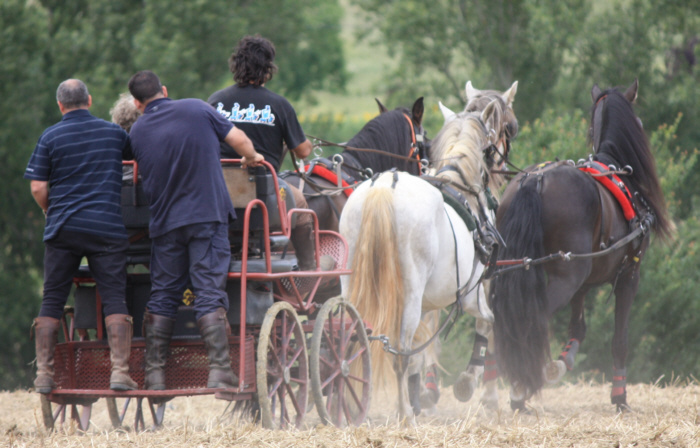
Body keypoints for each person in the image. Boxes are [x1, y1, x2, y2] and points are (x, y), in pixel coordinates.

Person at [127, 70, 263, 390]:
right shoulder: (198, 108)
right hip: (206, 219)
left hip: (165, 225)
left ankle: (155, 376)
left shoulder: (137, 130)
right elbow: (240, 140)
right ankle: (219, 370)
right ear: (164, 90)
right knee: (208, 291)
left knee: (163, 295)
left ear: (137, 103)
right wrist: (252, 156)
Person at [24, 79, 138, 392]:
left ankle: (44, 374)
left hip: (63, 229)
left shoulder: (50, 136)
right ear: (89, 100)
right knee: (114, 297)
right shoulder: (113, 133)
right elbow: (134, 163)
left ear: (60, 105)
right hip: (106, 229)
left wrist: (50, 210)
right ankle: (119, 372)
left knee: (53, 299)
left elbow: (37, 186)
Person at [208, 35, 333, 271]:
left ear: (236, 65)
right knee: (301, 204)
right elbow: (303, 151)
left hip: (218, 190)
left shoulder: (216, 101)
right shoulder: (279, 104)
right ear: (267, 70)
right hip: (262, 191)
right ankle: (308, 268)